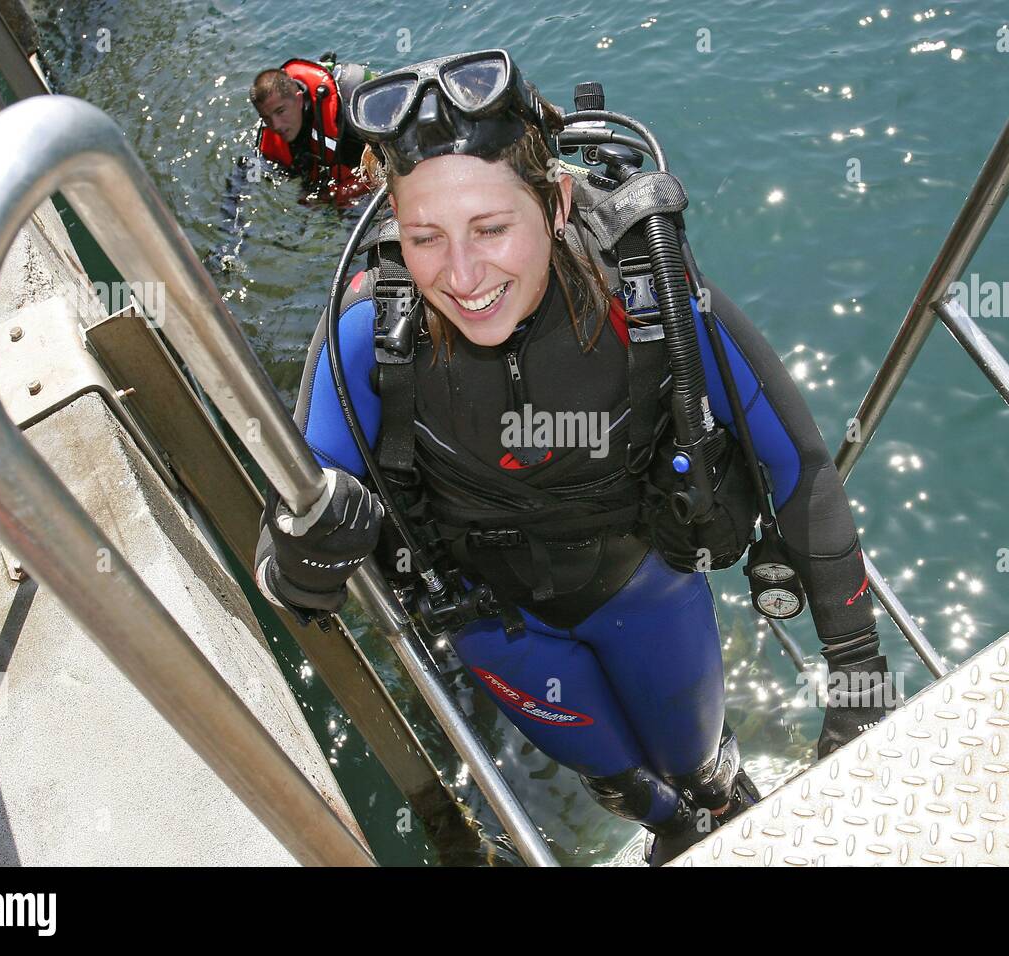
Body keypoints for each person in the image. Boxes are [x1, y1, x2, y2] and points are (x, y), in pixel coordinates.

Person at [255, 50, 898, 865]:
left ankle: (714, 806)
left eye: (491, 228)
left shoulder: (648, 292)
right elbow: (286, 553)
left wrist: (859, 681)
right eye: (425, 236)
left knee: (704, 766)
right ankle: (665, 827)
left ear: (556, 202)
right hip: (492, 620)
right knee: (630, 785)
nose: (461, 275)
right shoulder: (368, 335)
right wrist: (308, 559)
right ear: (393, 226)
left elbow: (798, 467)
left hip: (645, 588)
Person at [249, 55, 374, 206]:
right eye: (267, 117)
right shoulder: (275, 128)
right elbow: (251, 167)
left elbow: (383, 170)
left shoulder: (346, 121)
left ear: (299, 99)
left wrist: (330, 196)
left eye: (280, 111)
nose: (276, 126)